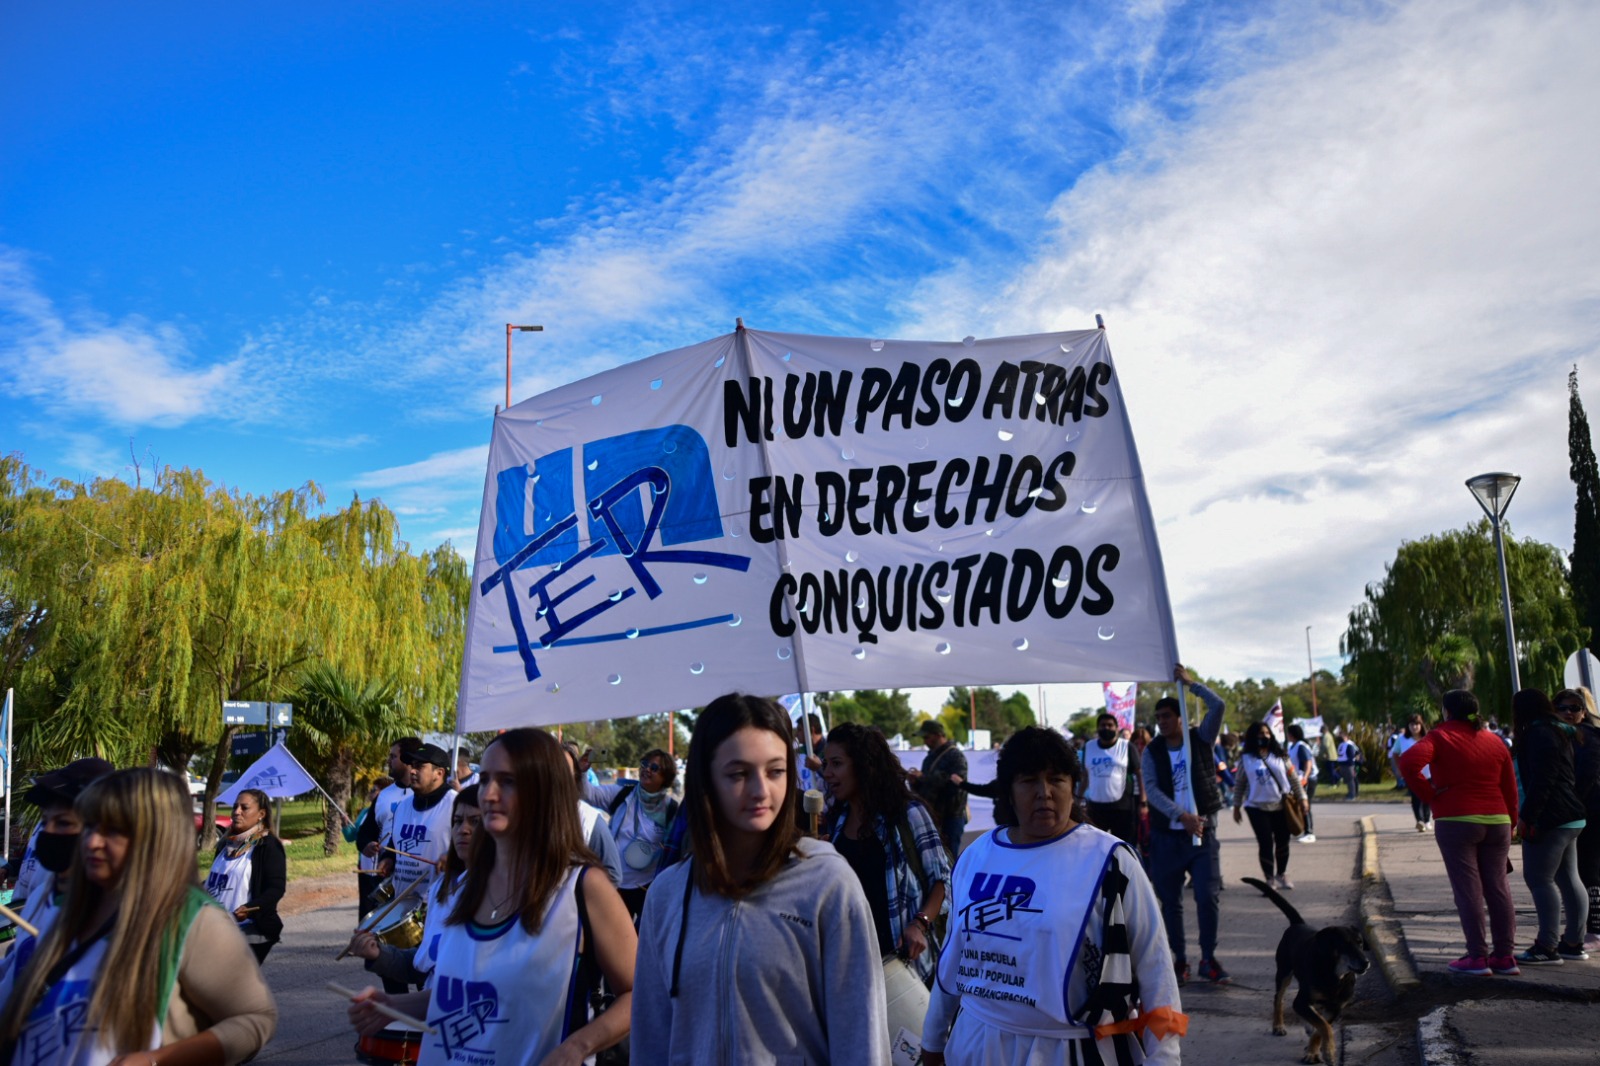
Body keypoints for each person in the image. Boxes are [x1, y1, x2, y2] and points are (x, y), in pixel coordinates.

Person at [347, 729, 636, 1064]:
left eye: (508, 781)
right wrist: (390, 1006)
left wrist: (578, 1046)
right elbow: (466, 994)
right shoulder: (466, 885)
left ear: (545, 791)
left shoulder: (584, 886)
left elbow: (638, 993)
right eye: (485, 779)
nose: (489, 794)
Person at [631, 693, 887, 1064]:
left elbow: (861, 1038)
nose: (761, 790)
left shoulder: (827, 883)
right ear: (705, 778)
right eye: (738, 774)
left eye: (775, 771)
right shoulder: (667, 895)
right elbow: (650, 1037)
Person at [922, 726, 1184, 1066]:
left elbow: (1156, 970)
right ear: (1009, 791)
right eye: (1029, 780)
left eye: (1057, 779)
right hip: (976, 1044)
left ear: (1074, 787)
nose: (1044, 792)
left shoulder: (1111, 861)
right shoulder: (976, 856)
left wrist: (1164, 1058)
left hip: (1073, 1051)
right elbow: (954, 956)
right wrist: (933, 1039)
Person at [0, 767, 277, 1063]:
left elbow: (256, 1018)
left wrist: (156, 1059)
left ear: (154, 835)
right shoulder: (69, 901)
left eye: (112, 830)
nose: (91, 841)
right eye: (90, 826)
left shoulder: (192, 919)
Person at [820, 722, 952, 988]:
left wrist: (920, 924)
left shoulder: (908, 814)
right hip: (851, 966)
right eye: (825, 764)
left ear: (863, 765)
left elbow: (942, 881)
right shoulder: (835, 820)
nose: (827, 773)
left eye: (836, 764)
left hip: (904, 967)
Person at [1399, 689, 1521, 975]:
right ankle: (1505, 957)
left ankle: (1477, 957)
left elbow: (1408, 763)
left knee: (1469, 890)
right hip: (1498, 820)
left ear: (1447, 712)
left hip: (1457, 820)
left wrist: (1430, 795)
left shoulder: (1440, 736)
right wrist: (1512, 822)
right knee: (1499, 887)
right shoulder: (1495, 741)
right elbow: (1510, 787)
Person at [1141, 662, 1229, 985]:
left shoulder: (1200, 739)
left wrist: (1192, 685)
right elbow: (1151, 790)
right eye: (1158, 717)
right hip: (1169, 838)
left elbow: (1218, 705)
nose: (1162, 722)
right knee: (1171, 901)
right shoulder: (1152, 752)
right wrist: (1181, 816)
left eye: (1167, 716)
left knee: (1207, 896)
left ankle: (1209, 958)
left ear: (1180, 718)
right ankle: (1179, 959)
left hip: (1203, 836)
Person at [348, 785, 481, 987]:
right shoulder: (442, 891)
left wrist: (398, 1006)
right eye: (457, 821)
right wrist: (378, 954)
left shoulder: (499, 895)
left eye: (475, 822)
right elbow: (424, 967)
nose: (463, 829)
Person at [0, 758, 114, 965]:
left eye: (64, 823)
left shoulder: (106, 917)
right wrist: (8, 868)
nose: (48, 831)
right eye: (45, 821)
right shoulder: (42, 898)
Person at [1511, 687, 1589, 964]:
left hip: (1550, 818)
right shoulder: (1559, 731)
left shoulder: (1537, 734)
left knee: (1538, 878)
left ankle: (1547, 946)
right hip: (1572, 816)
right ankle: (1574, 942)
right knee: (1569, 879)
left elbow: (1542, 781)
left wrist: (1527, 818)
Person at [578, 748, 680, 920]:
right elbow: (588, 793)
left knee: (642, 941)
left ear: (665, 778)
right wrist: (581, 771)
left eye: (654, 768)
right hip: (613, 883)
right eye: (645, 764)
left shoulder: (671, 810)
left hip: (647, 888)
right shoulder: (623, 793)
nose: (647, 769)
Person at [204, 787, 286, 964]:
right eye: (234, 807)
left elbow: (276, 889)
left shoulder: (268, 846)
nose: (236, 812)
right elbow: (216, 880)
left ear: (261, 814)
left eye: (244, 807)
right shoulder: (225, 844)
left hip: (250, 931)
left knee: (225, 985)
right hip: (215, 928)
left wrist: (250, 908)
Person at [1232, 721, 1306, 891]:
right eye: (1259, 734)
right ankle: (1269, 879)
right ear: (1252, 737)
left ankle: (1282, 874)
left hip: (1281, 806)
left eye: (1266, 733)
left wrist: (1303, 798)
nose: (1263, 737)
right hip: (1256, 807)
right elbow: (1240, 784)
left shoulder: (1281, 756)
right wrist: (1236, 807)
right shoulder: (1246, 759)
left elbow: (1294, 778)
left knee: (1282, 841)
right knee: (1265, 843)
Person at [1557, 687, 1600, 952]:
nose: (1569, 712)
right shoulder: (1564, 737)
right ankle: (1583, 926)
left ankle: (1595, 931)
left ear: (1584, 712)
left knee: (1589, 869)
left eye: (1575, 708)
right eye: (1563, 708)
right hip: (1577, 812)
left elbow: (1586, 777)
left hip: (1591, 811)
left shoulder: (1589, 738)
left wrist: (1574, 805)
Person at [1082, 712, 1144, 846]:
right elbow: (1085, 775)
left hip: (1123, 807)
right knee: (1096, 846)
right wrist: (1077, 798)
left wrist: (1143, 802)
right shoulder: (1089, 747)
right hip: (1096, 808)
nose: (1106, 728)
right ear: (1098, 728)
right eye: (1103, 725)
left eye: (1110, 725)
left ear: (1117, 728)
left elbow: (1140, 773)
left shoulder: (1126, 746)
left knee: (1123, 847)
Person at [910, 719, 968, 855]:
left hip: (951, 817)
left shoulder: (956, 756)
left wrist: (922, 778)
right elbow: (926, 788)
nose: (924, 741)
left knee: (950, 859)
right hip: (932, 816)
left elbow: (956, 784)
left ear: (938, 735)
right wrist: (916, 783)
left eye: (926, 737)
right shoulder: (929, 758)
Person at [345, 775, 392, 919]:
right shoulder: (365, 812)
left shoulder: (391, 808)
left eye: (374, 790)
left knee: (381, 908)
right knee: (365, 908)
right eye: (371, 790)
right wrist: (345, 824)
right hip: (365, 867)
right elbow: (352, 836)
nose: (371, 793)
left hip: (383, 868)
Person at [1389, 714, 1434, 831]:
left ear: (1421, 725)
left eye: (1417, 724)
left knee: (1427, 797)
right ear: (1408, 726)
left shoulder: (1428, 737)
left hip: (1428, 773)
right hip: (1411, 774)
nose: (1414, 727)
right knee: (1415, 797)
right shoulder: (1402, 739)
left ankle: (1427, 820)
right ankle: (1419, 821)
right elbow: (1395, 753)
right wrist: (1399, 768)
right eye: (1412, 725)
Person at [1285, 724, 1319, 843]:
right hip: (1298, 779)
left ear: (1292, 734)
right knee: (1297, 804)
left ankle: (1309, 832)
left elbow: (1308, 763)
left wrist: (1305, 777)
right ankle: (1300, 829)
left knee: (1305, 803)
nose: (1287, 735)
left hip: (1308, 779)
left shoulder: (1301, 746)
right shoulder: (1292, 746)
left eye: (1288, 733)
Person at [1335, 729, 1363, 799]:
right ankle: (1351, 792)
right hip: (1344, 764)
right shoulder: (1341, 744)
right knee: (1349, 779)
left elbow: (1356, 753)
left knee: (1352, 779)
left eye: (1342, 736)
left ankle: (1353, 794)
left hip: (1351, 764)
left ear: (1346, 737)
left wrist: (1354, 763)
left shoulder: (1350, 744)